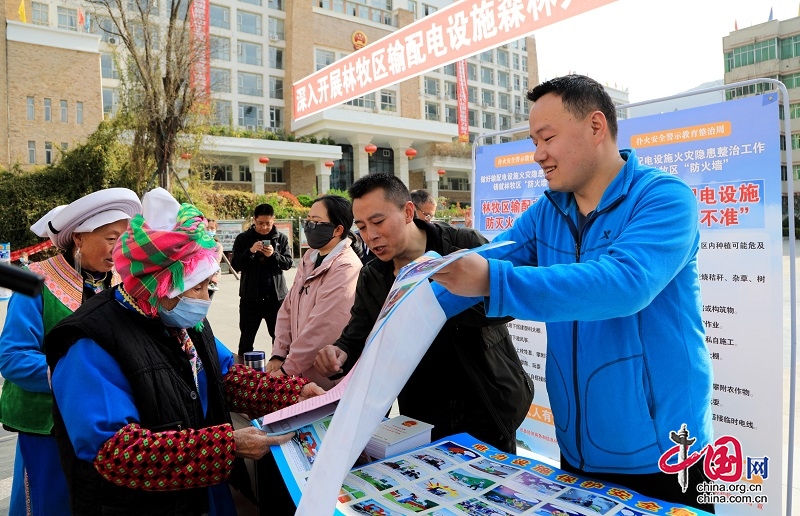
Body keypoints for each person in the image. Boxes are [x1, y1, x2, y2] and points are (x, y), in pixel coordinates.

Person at [431, 75, 714, 512]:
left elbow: (626, 284)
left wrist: (492, 279)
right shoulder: (549, 210)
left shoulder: (663, 199)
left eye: (547, 138)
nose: (538, 153)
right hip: (578, 447)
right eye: (533, 140)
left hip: (664, 454)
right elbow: (491, 260)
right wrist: (411, 302)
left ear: (596, 127)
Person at [44, 188, 324, 515]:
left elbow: (225, 377)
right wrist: (226, 446)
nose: (205, 298)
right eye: (197, 287)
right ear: (160, 285)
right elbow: (117, 451)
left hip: (200, 495)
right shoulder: (89, 342)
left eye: (209, 285)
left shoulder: (179, 318)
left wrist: (294, 393)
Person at [313, 173, 532, 453]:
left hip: (485, 402)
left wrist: (436, 295)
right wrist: (339, 353)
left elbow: (506, 304)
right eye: (363, 227)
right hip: (419, 413)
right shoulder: (372, 276)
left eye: (378, 222)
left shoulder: (462, 244)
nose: (372, 235)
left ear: (407, 212)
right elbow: (358, 335)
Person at [0, 187, 141, 516]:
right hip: (47, 425)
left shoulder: (117, 284)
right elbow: (13, 357)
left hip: (106, 423)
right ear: (78, 238)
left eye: (125, 239)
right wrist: (74, 379)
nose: (120, 248)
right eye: (111, 238)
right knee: (51, 501)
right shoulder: (34, 281)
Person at [267, 195, 363, 389]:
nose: (309, 226)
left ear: (338, 229)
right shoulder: (310, 257)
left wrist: (287, 370)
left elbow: (321, 328)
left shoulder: (346, 266)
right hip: (299, 371)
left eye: (317, 222)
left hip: (325, 379)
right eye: (308, 220)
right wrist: (279, 353)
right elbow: (288, 308)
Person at [231, 203, 292, 358]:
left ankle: (280, 374)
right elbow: (235, 265)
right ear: (254, 220)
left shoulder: (281, 239)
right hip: (250, 299)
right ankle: (244, 375)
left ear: (273, 220)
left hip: (275, 298)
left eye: (268, 223)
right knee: (246, 339)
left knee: (280, 339)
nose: (264, 227)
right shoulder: (243, 239)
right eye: (260, 223)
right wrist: (250, 251)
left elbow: (288, 263)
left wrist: (273, 255)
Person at [206, 219, 224, 299]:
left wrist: (213, 278)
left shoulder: (218, 246)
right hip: (199, 278)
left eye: (212, 228)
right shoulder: (198, 243)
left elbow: (217, 262)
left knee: (207, 301)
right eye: (207, 228)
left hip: (212, 278)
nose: (209, 230)